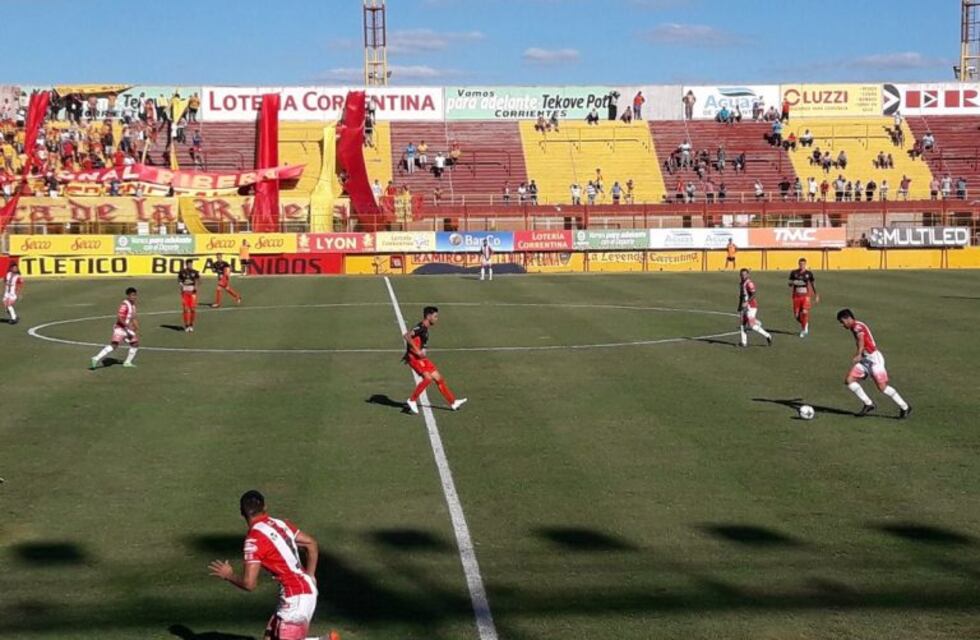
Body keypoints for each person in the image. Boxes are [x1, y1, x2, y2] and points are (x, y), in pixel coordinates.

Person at [208, 490, 321, 640]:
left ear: (242, 512)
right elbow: (310, 544)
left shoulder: (254, 539)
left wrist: (229, 575)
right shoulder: (280, 523)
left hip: (295, 597)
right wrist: (310, 576)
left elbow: (249, 584)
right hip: (300, 591)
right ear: (265, 507)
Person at [837, 309, 911, 418]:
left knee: (882, 387)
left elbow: (861, 340)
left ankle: (905, 407)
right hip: (865, 360)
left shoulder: (857, 327)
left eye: (842, 322)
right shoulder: (855, 326)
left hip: (874, 360)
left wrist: (859, 354)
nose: (842, 325)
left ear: (848, 318)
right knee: (849, 380)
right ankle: (868, 404)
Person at [403, 306, 467, 415]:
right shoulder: (421, 327)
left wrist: (422, 350)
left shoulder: (426, 329)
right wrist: (417, 351)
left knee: (438, 378)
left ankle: (453, 402)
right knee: (428, 378)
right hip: (414, 358)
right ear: (428, 316)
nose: (437, 319)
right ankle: (412, 400)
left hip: (421, 358)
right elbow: (407, 336)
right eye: (435, 316)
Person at [90, 287, 139, 370]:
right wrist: (127, 326)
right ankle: (96, 358)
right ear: (128, 296)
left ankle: (127, 362)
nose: (134, 297)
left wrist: (136, 328)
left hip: (127, 329)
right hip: (120, 328)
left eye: (135, 295)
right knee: (114, 345)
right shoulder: (124, 305)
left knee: (135, 344)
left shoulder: (133, 305)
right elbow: (119, 318)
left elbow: (133, 317)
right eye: (132, 295)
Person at [737, 269, 773, 348]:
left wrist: (747, 302)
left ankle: (767, 335)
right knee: (742, 323)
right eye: (742, 275)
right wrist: (739, 306)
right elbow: (742, 296)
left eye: (745, 274)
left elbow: (753, 294)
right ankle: (744, 342)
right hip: (744, 306)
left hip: (751, 306)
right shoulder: (741, 283)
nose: (743, 276)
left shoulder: (749, 283)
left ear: (748, 275)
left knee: (752, 326)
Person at [788, 258, 819, 338]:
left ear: (805, 264)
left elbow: (813, 284)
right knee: (797, 316)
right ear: (798, 264)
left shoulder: (809, 273)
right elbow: (789, 283)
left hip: (805, 296)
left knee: (804, 312)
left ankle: (803, 330)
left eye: (803, 264)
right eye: (800, 264)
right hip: (796, 296)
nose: (802, 266)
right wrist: (793, 283)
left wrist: (816, 294)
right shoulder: (794, 273)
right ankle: (805, 324)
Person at [178, 259, 201, 332]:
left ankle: (191, 324)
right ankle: (186, 325)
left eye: (191, 264)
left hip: (192, 292)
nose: (190, 265)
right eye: (189, 264)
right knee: (185, 309)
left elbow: (198, 280)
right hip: (185, 292)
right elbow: (179, 280)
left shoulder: (195, 272)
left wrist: (196, 286)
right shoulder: (182, 272)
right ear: (186, 264)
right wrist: (181, 285)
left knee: (193, 309)